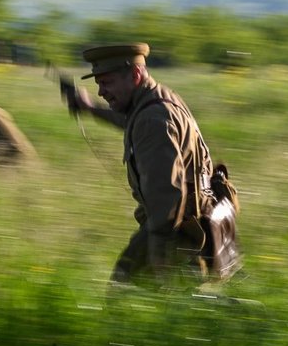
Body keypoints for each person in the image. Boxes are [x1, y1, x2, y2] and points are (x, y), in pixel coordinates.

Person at [63, 43, 240, 285]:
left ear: (135, 75)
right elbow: (132, 120)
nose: (101, 91)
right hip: (193, 224)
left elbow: (166, 195)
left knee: (126, 300)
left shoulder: (152, 119)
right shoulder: (157, 100)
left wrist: (159, 255)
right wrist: (90, 108)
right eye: (98, 85)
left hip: (177, 233)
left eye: (107, 83)